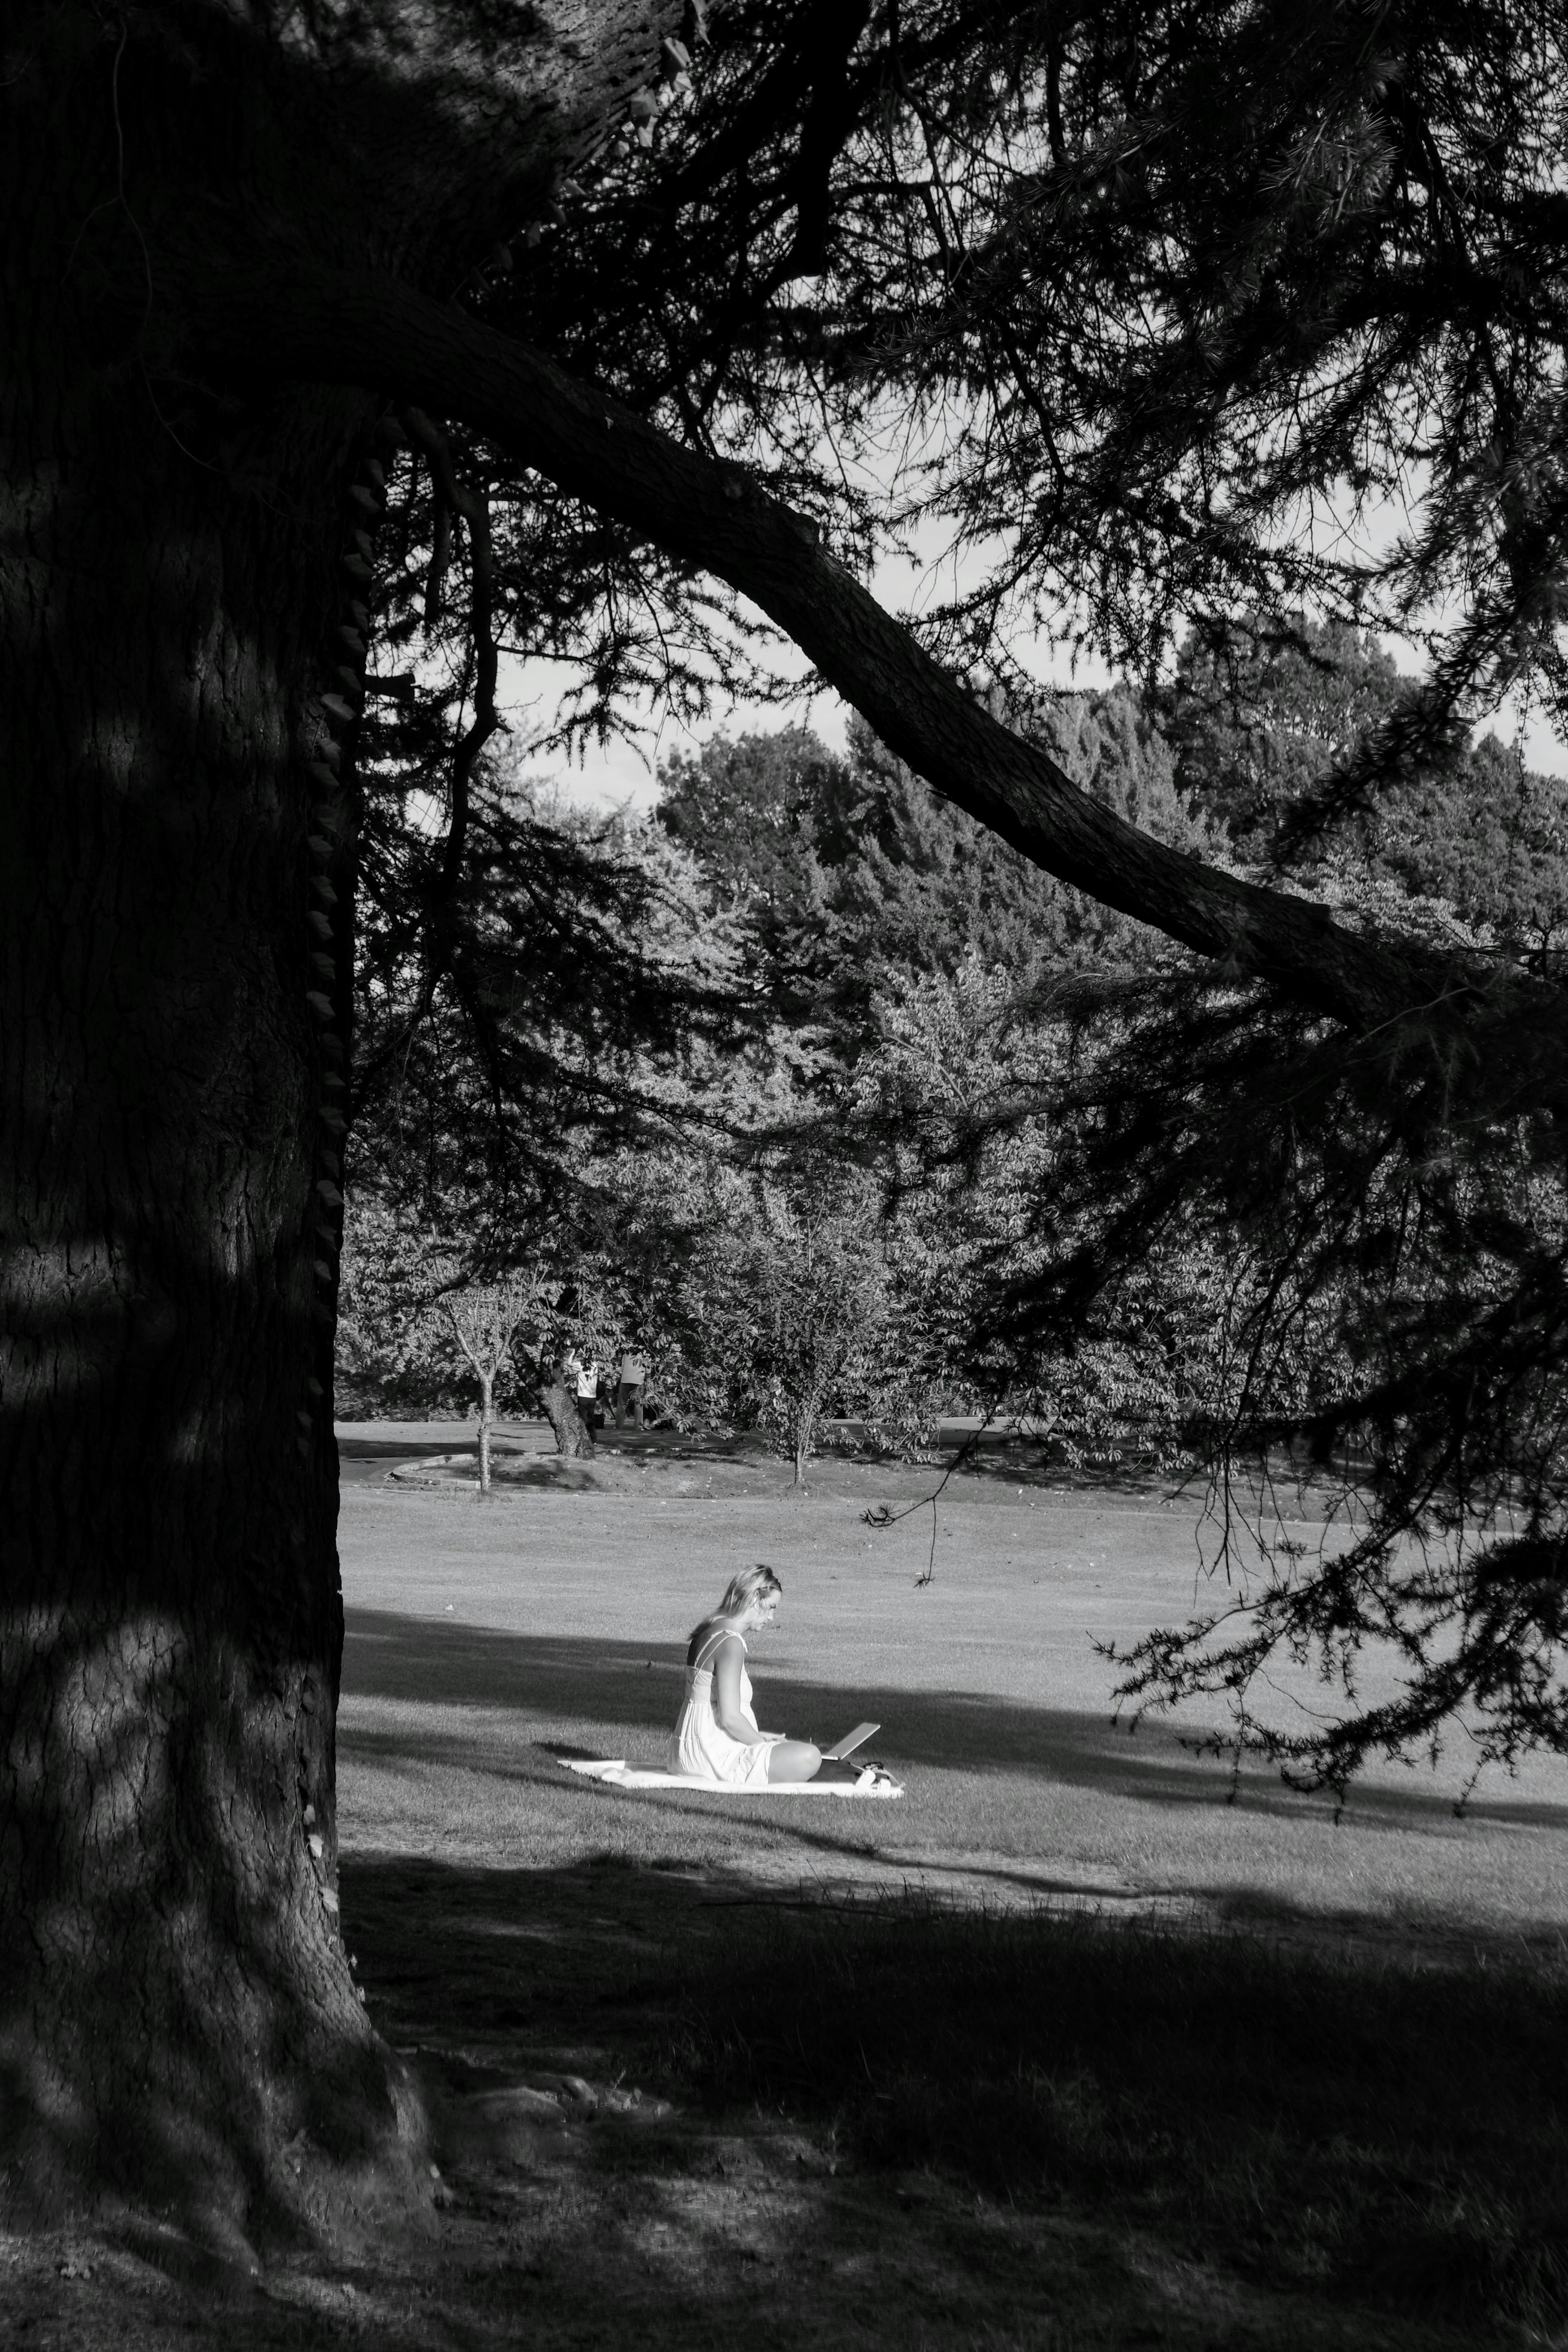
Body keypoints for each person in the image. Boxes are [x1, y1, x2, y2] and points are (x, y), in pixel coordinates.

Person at [669, 1564, 901, 1792]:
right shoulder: (730, 1642)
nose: (771, 1617)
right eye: (771, 1607)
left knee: (795, 1751)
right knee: (810, 1756)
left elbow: (712, 1708)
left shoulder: (709, 1631)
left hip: (690, 1752)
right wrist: (762, 1746)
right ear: (754, 1599)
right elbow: (729, 1718)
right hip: (711, 1759)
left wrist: (759, 1736)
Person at [616, 1346, 647, 1429]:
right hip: (639, 1381)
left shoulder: (626, 1353)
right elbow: (647, 1367)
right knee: (638, 1405)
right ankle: (638, 1426)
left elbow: (623, 1366)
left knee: (622, 1404)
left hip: (625, 1380)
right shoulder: (644, 1353)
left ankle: (619, 1426)